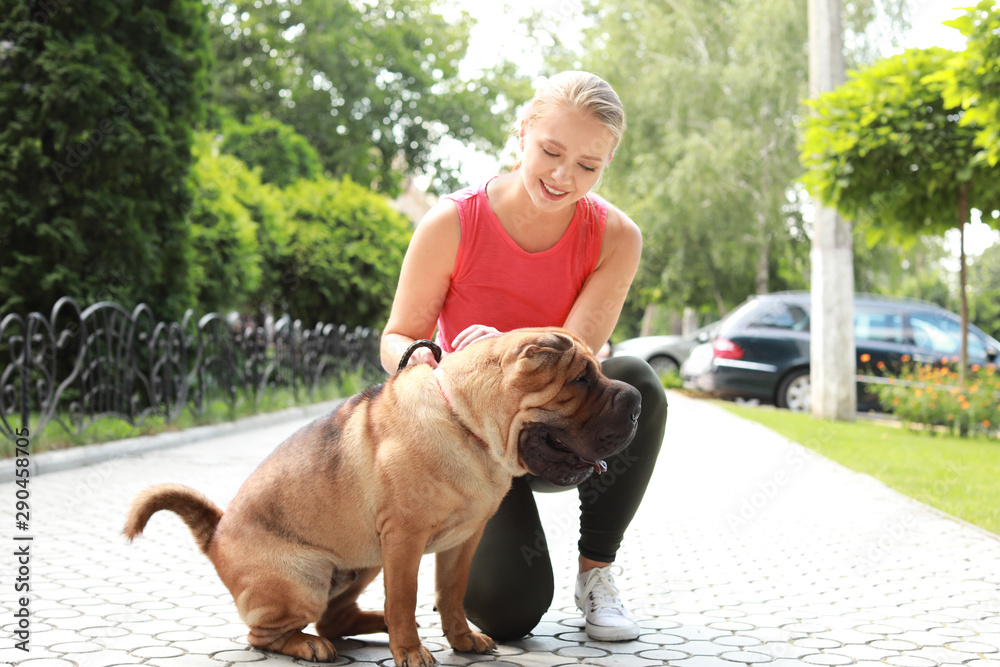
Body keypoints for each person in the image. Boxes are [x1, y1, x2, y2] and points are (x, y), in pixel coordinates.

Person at [380, 70, 667, 643]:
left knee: (637, 382)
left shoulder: (616, 237)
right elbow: (396, 338)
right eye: (551, 151)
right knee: (509, 615)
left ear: (607, 163)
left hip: (550, 432)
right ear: (523, 132)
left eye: (588, 166)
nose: (563, 176)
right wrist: (436, 362)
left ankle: (596, 575)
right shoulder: (451, 223)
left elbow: (572, 360)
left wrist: (503, 351)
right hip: (473, 440)